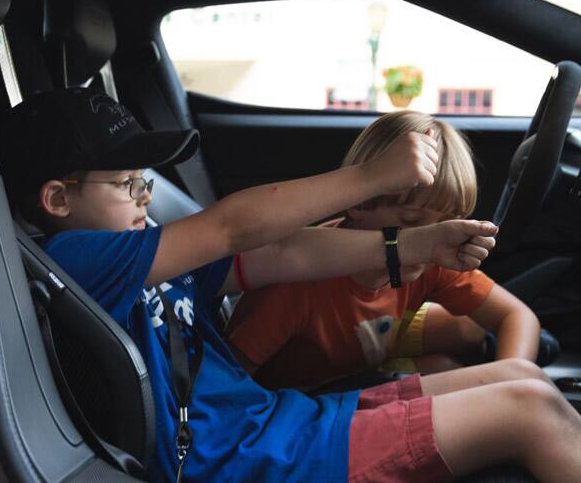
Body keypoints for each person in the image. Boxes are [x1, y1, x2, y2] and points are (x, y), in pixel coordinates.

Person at [0, 88, 579, 483]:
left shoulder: (141, 260)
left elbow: (281, 249)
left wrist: (414, 247)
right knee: (528, 409)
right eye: (130, 185)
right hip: (242, 461)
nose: (146, 203)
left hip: (271, 426)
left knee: (520, 375)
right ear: (57, 199)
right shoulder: (75, 260)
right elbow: (232, 228)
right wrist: (369, 178)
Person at [227, 111, 541, 391]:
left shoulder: (435, 253)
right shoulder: (297, 282)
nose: (433, 238)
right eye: (411, 221)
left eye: (447, 223)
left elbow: (517, 316)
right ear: (360, 203)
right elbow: (228, 380)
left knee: (470, 329)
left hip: (363, 354)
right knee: (445, 372)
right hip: (303, 398)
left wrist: (509, 382)